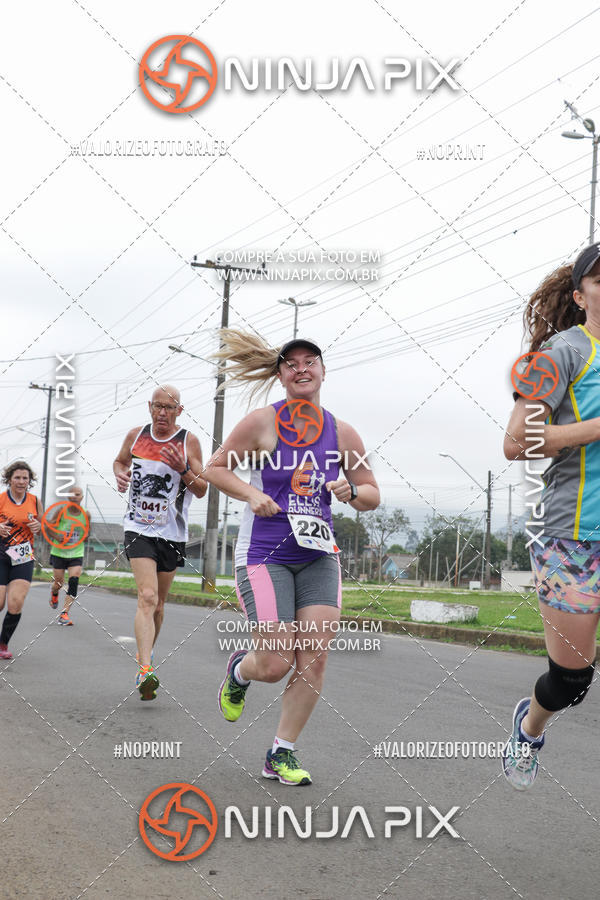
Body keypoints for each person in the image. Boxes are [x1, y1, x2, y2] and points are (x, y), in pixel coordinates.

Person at [205, 331, 380, 785]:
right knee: (276, 663)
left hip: (319, 554)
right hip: (265, 554)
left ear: (323, 371)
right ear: (281, 375)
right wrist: (252, 493)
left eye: (311, 361)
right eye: (292, 363)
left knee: (315, 660)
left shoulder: (342, 432)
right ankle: (242, 670)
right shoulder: (263, 422)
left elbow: (371, 494)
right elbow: (215, 468)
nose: (302, 368)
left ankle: (281, 753)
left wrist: (353, 490)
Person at [502, 243, 600, 789]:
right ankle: (530, 726)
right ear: (578, 295)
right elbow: (516, 442)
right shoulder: (560, 354)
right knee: (571, 682)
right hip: (573, 537)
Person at [113, 385, 207, 700]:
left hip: (172, 533)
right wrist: (120, 475)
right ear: (149, 407)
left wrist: (182, 469)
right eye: (157, 406)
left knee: (159, 606)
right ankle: (145, 669)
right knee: (148, 596)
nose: (162, 413)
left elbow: (202, 488)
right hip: (138, 528)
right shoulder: (135, 436)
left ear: (179, 410)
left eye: (169, 407)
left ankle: (145, 662)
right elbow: (119, 462)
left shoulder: (187, 441)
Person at [0, 461, 43, 659]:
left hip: (22, 555)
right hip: (1, 553)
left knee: (15, 603)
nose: (21, 481)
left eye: (25, 478)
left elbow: (41, 525)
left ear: (29, 481)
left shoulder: (34, 500)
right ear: (9, 479)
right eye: (17, 477)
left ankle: (3, 644)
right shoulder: (1, 499)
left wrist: (37, 527)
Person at [48, 486, 90, 625]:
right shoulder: (61, 511)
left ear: (81, 497)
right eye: (71, 494)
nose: (74, 496)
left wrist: (83, 536)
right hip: (59, 552)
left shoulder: (86, 514)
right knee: (59, 583)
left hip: (76, 552)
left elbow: (87, 532)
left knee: (73, 581)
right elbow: (49, 527)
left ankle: (64, 614)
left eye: (77, 494)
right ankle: (54, 594)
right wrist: (56, 536)